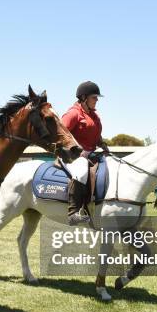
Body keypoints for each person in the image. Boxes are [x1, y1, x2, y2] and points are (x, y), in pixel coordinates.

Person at [61, 81, 110, 225]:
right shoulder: (73, 114)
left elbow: (96, 135)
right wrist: (77, 150)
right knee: (82, 169)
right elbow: (61, 135)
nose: (97, 100)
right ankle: (73, 213)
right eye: (94, 97)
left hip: (90, 153)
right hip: (72, 155)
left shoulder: (94, 116)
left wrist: (103, 144)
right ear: (84, 98)